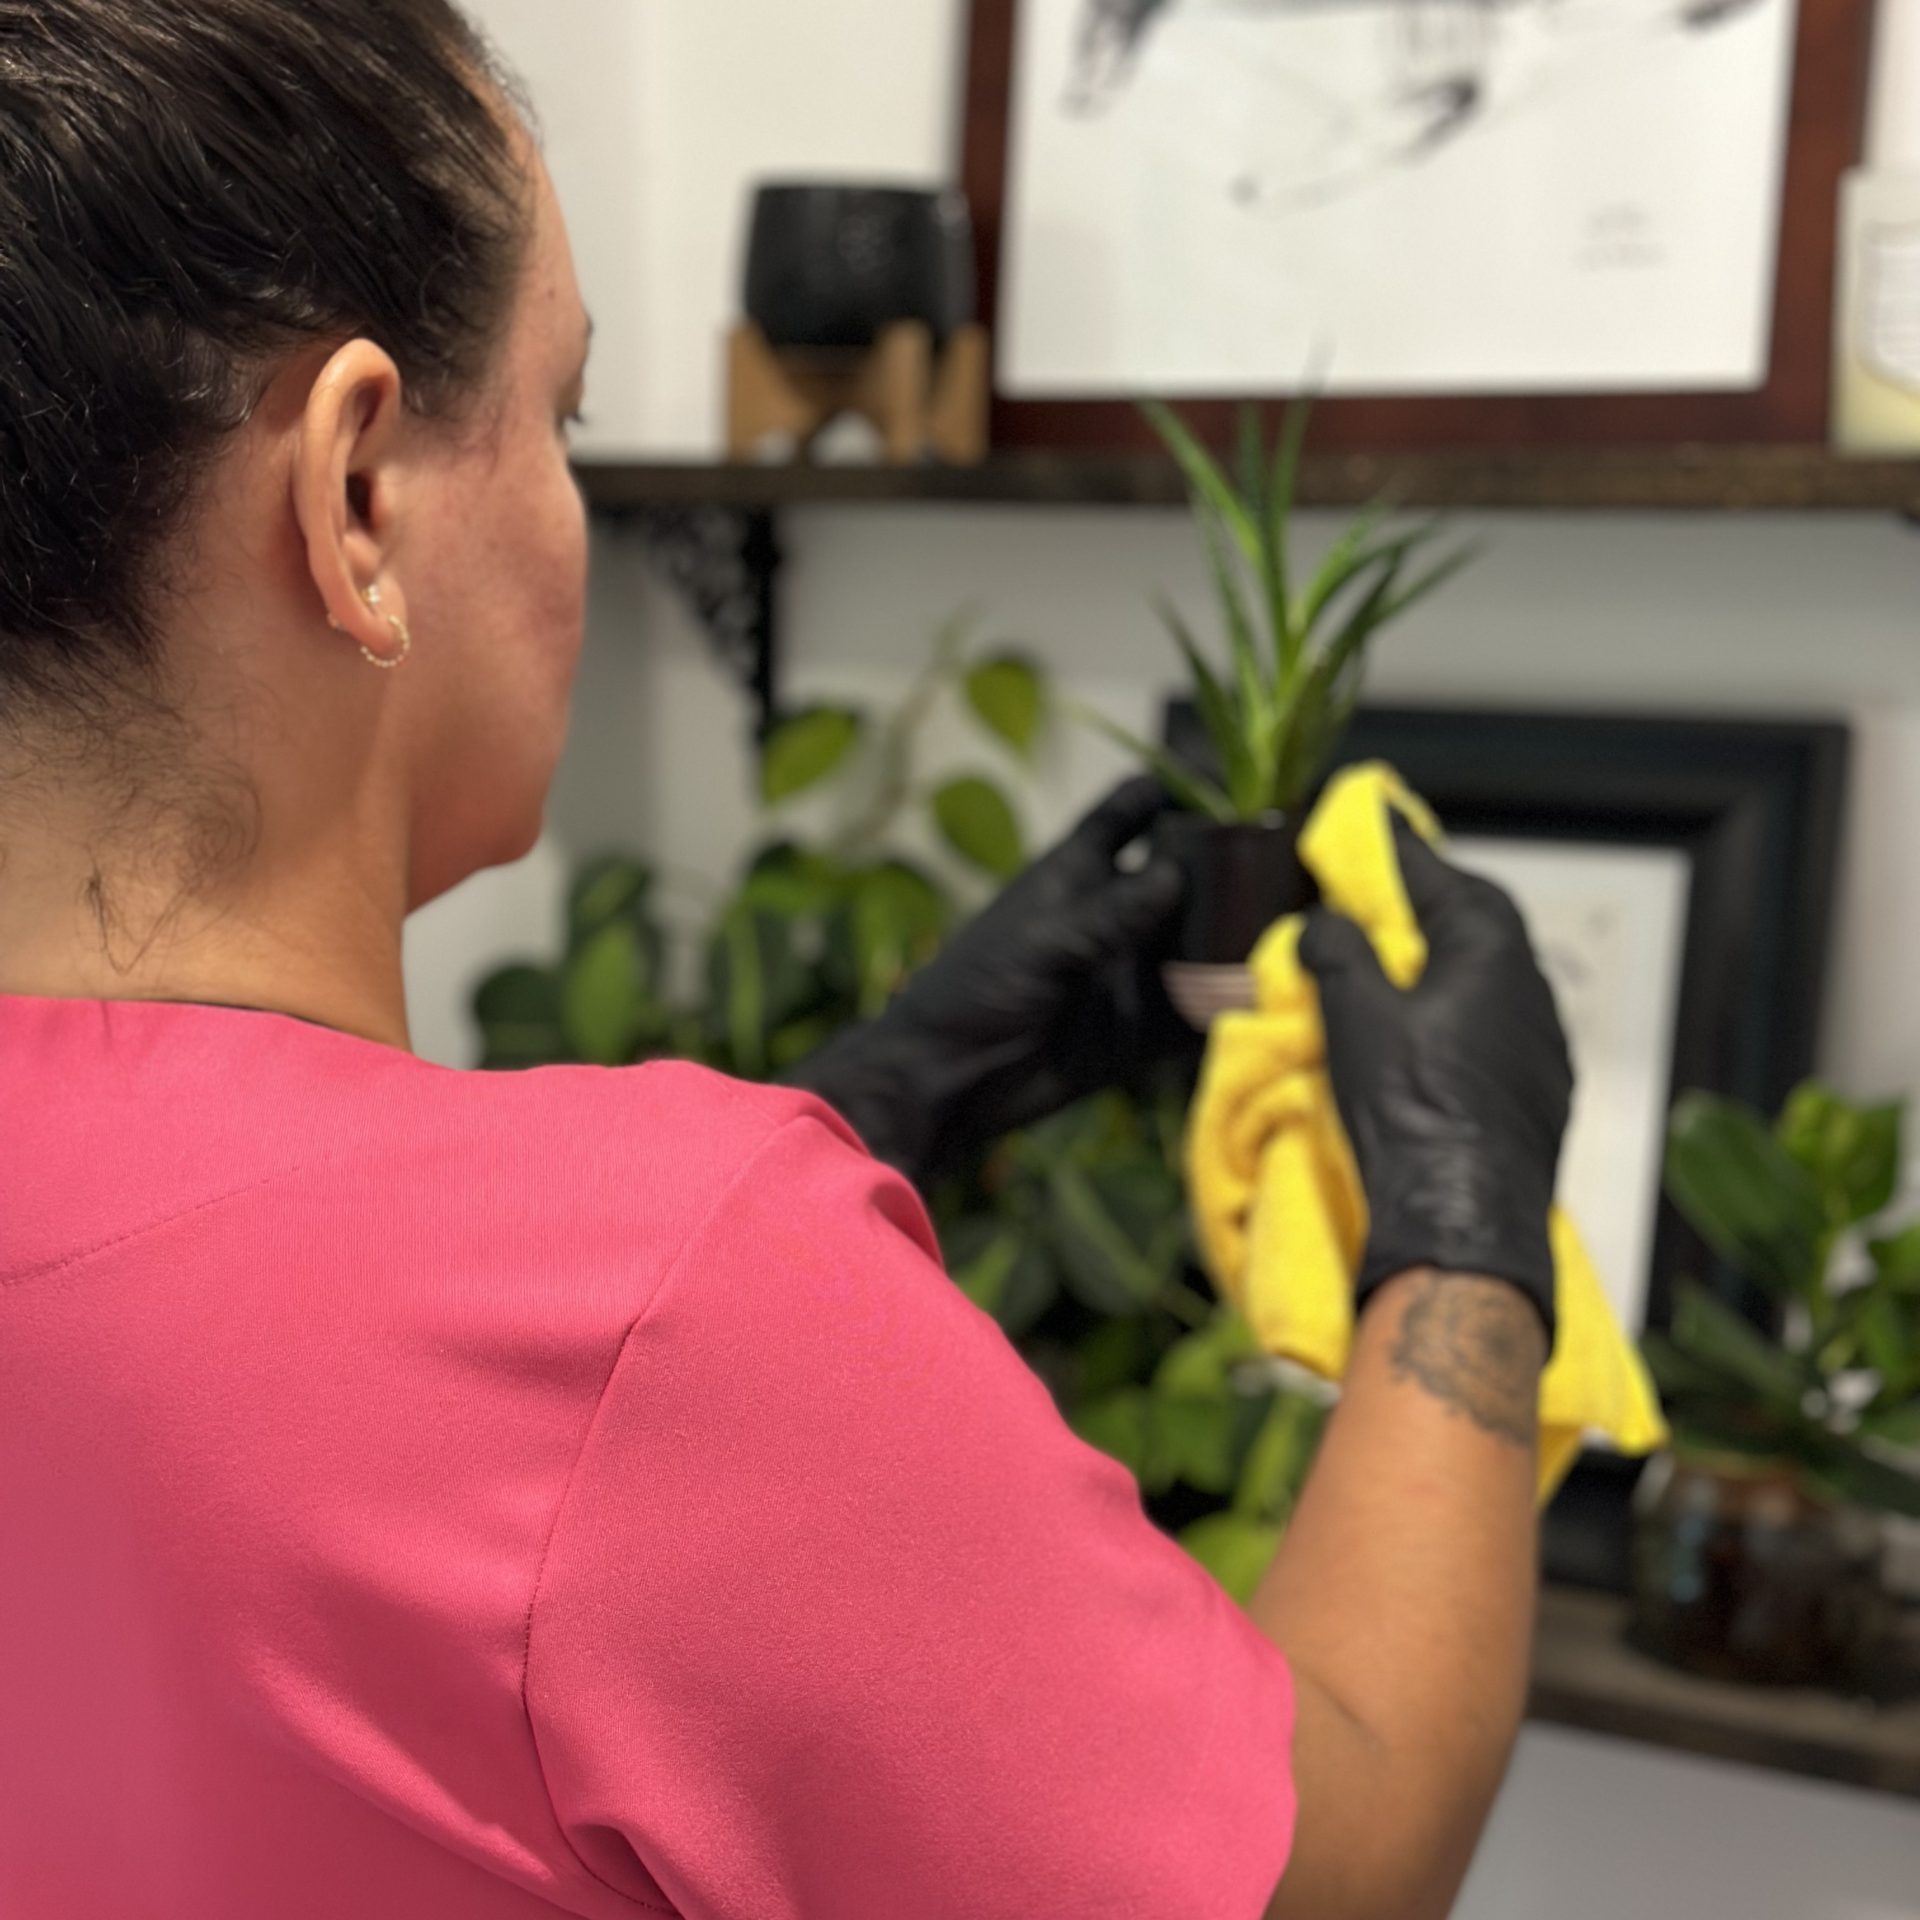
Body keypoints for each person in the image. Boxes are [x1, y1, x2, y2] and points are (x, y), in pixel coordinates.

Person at [0, 5, 1573, 1916]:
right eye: (560, 417)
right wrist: (1468, 1244)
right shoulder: (653, 1301)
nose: (573, 509)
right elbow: (1335, 1862)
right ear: (357, 502)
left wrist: (866, 1106)